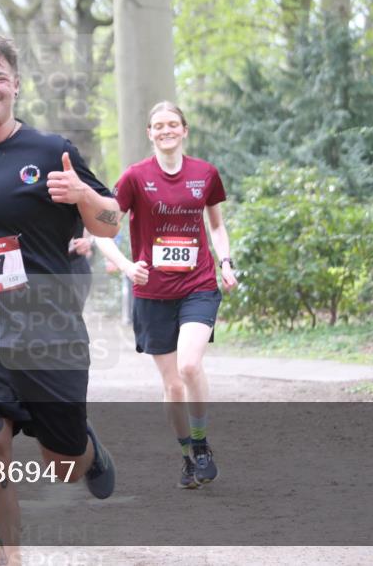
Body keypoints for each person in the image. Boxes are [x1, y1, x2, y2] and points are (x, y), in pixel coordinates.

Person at [0, 32, 122, 566]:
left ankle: (85, 446)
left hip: (47, 326)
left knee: (64, 467)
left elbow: (111, 220)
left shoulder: (49, 150)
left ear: (15, 85)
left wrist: (83, 197)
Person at [94, 101, 237, 490]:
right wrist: (126, 266)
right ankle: (187, 455)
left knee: (190, 367)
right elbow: (101, 230)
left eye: (173, 124)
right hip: (152, 293)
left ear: (184, 130)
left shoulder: (205, 174)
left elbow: (218, 226)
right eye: (158, 125)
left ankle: (203, 444)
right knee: (173, 386)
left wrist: (225, 261)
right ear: (150, 133)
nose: (166, 130)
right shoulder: (135, 178)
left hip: (198, 285)